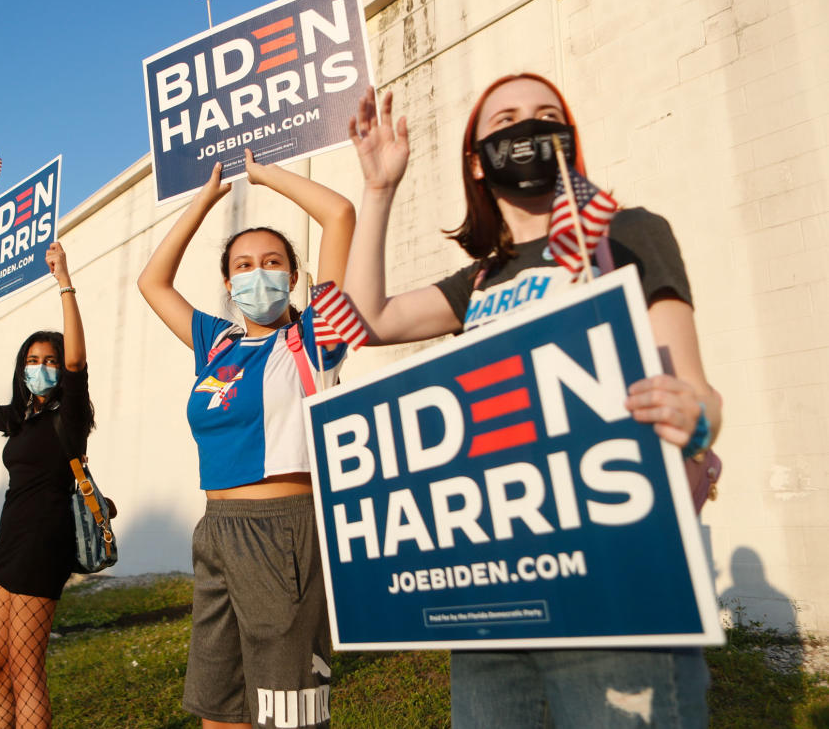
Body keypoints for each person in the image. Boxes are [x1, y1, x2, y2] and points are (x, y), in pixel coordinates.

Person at [343, 78, 723, 726]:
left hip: (613, 593)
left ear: (570, 142)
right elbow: (367, 320)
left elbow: (698, 393)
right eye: (509, 118)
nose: (530, 129)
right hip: (494, 602)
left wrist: (695, 420)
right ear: (478, 157)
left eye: (547, 116)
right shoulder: (481, 279)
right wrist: (379, 190)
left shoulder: (628, 233)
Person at [137, 149, 354, 729]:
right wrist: (204, 201)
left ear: (295, 274)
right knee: (219, 710)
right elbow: (151, 281)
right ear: (229, 283)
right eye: (244, 265)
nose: (259, 274)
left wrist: (264, 175)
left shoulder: (316, 335)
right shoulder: (217, 343)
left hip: (285, 531)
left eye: (273, 261)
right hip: (216, 535)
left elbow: (339, 214)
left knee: (287, 716)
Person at [0, 241, 93, 729]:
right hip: (9, 542)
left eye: (48, 359)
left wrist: (64, 282)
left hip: (45, 543)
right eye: (33, 359)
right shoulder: (19, 418)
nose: (41, 366)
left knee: (27, 670)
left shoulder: (68, 416)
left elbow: (77, 360)